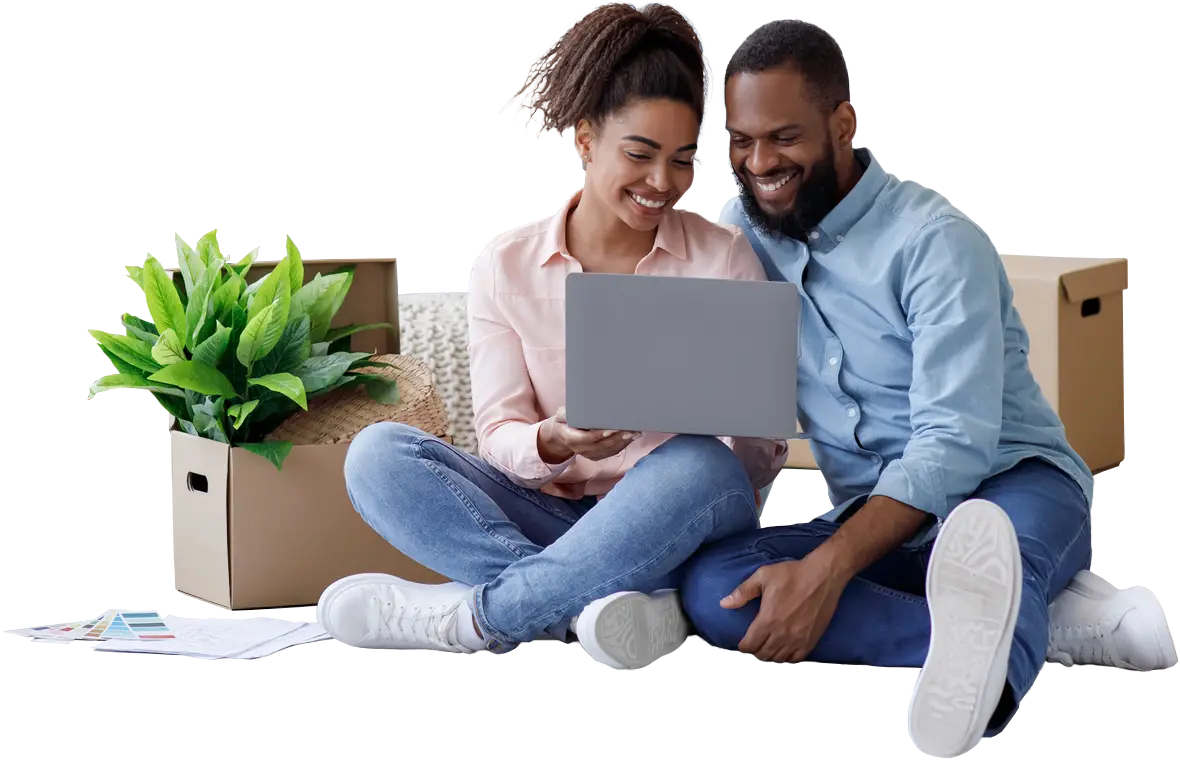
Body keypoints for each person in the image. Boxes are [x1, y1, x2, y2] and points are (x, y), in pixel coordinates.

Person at [650, 18, 1171, 759]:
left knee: (992, 550)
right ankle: (1018, 630)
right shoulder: (747, 238)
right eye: (739, 141)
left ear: (844, 123)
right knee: (717, 587)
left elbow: (954, 445)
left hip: (1009, 486)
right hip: (878, 519)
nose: (758, 161)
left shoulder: (935, 242)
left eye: (784, 137)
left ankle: (981, 677)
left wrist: (828, 569)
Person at [316, 0, 788, 669]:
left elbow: (749, 470)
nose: (664, 183)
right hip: (550, 515)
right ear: (586, 138)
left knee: (698, 463)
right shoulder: (505, 267)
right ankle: (593, 609)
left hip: (675, 525)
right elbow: (501, 435)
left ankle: (481, 616)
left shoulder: (724, 257)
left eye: (683, 160)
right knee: (377, 454)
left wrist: (747, 425)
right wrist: (554, 438)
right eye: (641, 153)